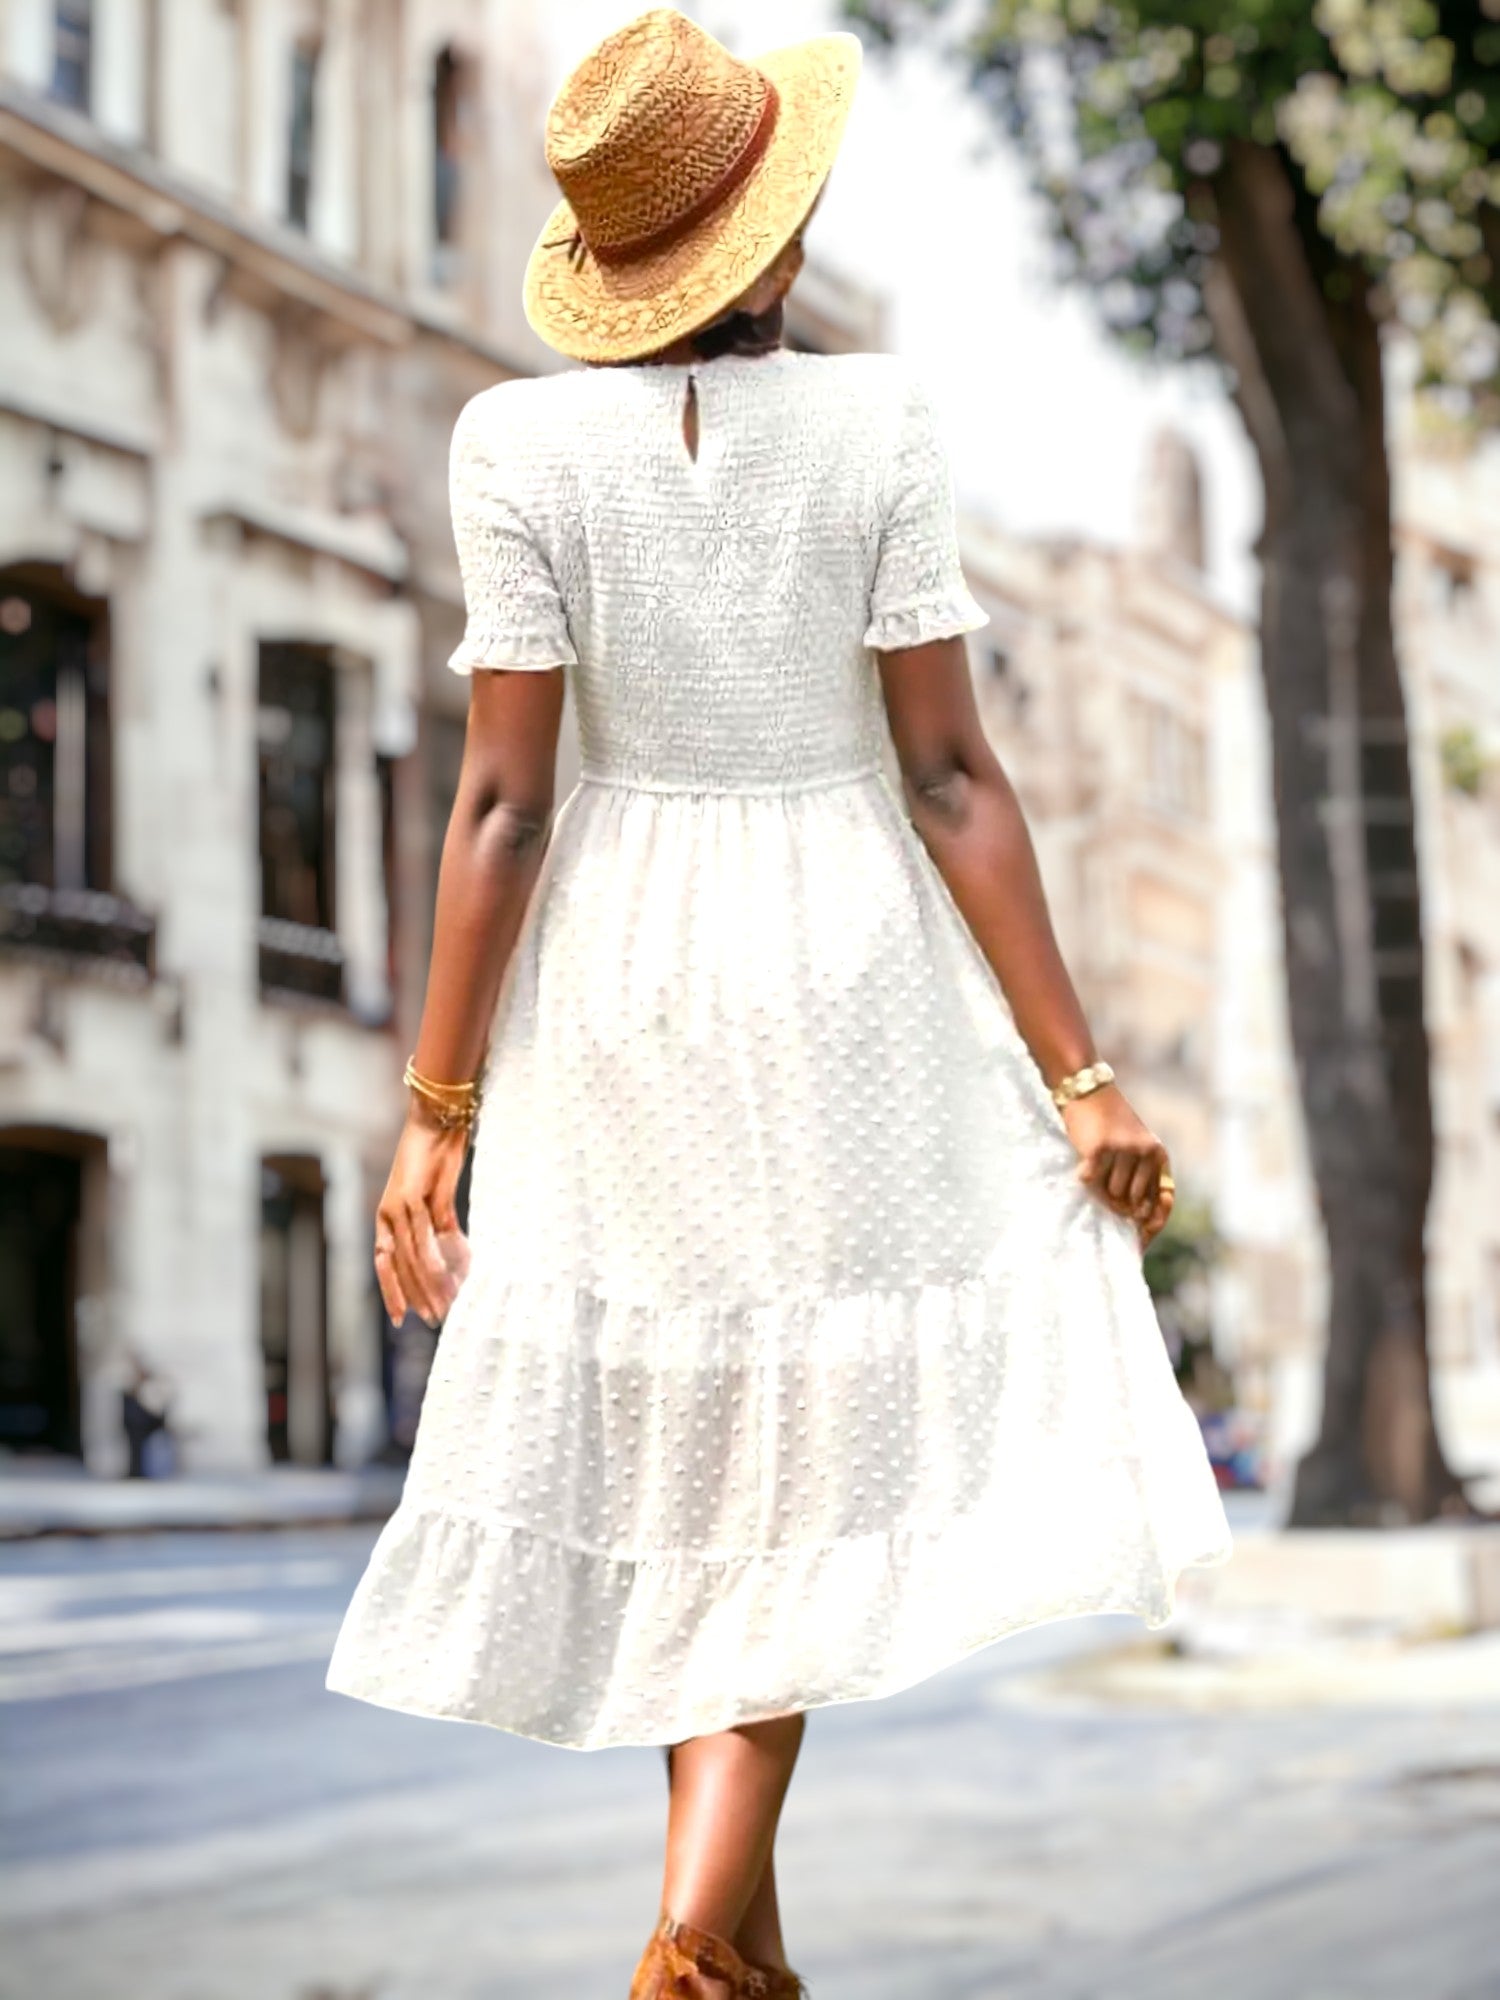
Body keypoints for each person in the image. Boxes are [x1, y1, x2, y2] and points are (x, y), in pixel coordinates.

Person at [325, 11, 1234, 1995]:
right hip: (846, 973)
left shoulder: (512, 446)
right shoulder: (878, 425)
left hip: (619, 983)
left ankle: (747, 1963)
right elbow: (952, 777)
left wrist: (434, 1107)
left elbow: (498, 808)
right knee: (784, 1473)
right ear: (779, 235)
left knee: (704, 1460)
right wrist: (1080, 1072)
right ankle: (687, 1947)